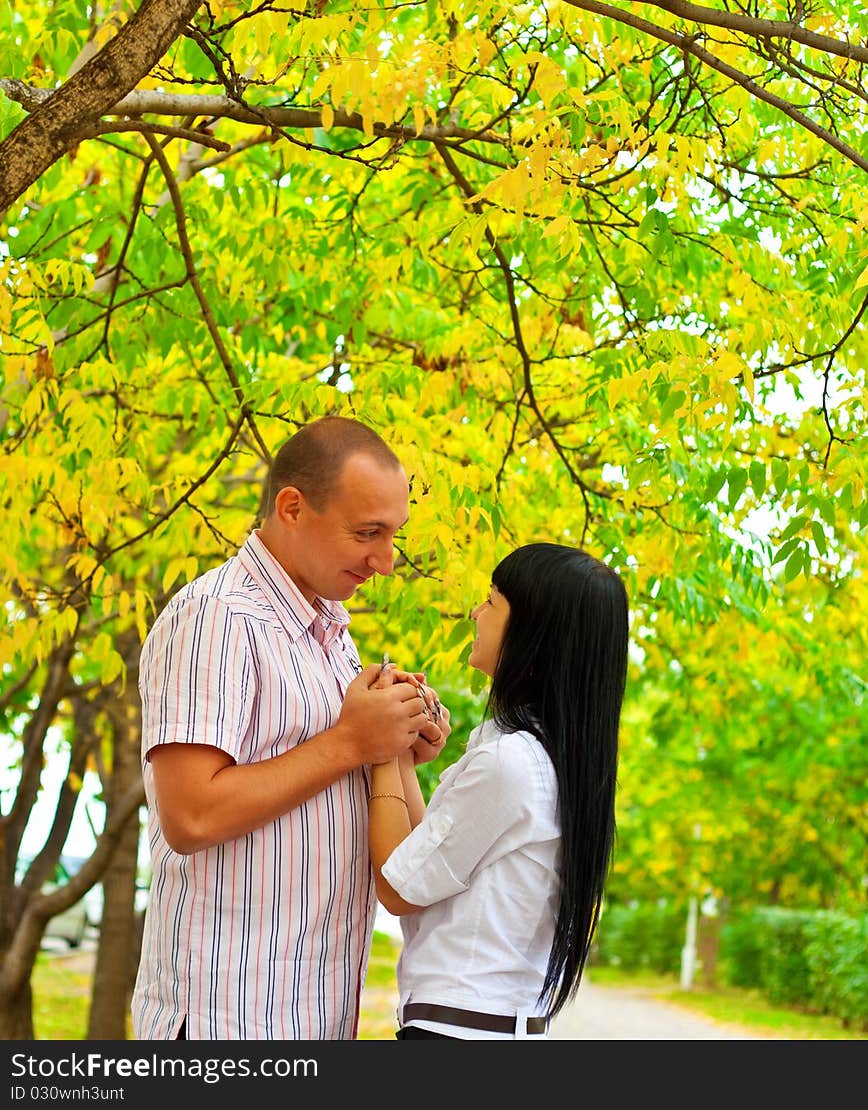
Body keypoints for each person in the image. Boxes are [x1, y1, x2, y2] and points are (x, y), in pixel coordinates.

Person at [131, 414, 451, 1040]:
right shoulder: (215, 619)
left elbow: (327, 774)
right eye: (367, 533)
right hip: (229, 1019)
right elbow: (190, 816)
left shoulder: (332, 631)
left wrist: (397, 741)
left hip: (313, 1014)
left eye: (394, 535)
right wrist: (351, 742)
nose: (385, 562)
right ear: (292, 508)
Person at [368, 541, 629, 1040]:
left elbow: (397, 889)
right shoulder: (541, 757)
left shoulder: (509, 762)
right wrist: (399, 750)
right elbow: (425, 862)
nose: (475, 611)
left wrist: (378, 748)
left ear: (533, 633)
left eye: (490, 601)